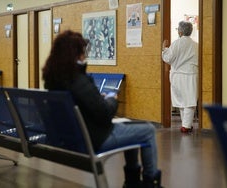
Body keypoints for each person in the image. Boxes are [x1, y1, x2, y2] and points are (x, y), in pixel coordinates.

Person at [42, 30, 163, 188]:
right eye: (83, 52)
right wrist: (111, 100)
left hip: (70, 138)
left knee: (131, 127)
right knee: (147, 131)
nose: (84, 56)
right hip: (94, 138)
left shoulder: (53, 80)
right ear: (76, 54)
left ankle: (133, 182)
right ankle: (150, 181)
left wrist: (98, 99)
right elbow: (105, 114)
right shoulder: (78, 80)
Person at [162, 21, 198, 133]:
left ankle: (186, 125)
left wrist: (164, 49)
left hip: (178, 76)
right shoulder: (196, 45)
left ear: (180, 31)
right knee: (190, 100)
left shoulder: (177, 43)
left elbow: (168, 58)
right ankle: (186, 125)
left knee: (182, 100)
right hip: (191, 75)